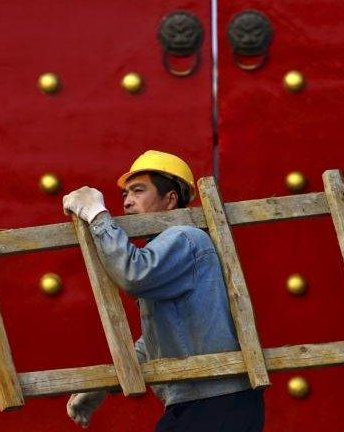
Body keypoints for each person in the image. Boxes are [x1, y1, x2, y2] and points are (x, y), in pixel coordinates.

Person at [62, 150, 265, 431]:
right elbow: (154, 341)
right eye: (125, 194)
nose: (127, 201)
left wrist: (97, 215)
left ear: (170, 199)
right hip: (203, 402)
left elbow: (133, 274)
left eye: (138, 190)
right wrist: (105, 384)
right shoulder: (169, 248)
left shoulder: (184, 238)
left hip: (217, 400)